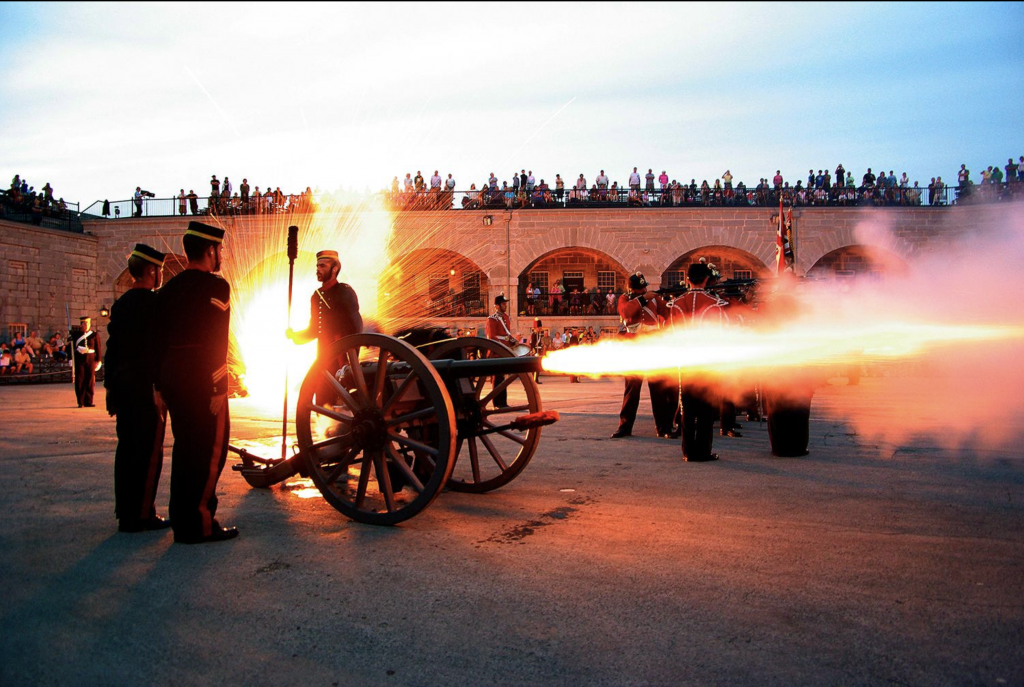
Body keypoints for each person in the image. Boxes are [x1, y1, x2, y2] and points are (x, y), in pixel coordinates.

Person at [153, 221, 237, 544]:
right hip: (203, 379)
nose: (221, 255)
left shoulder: (169, 290)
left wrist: (159, 384)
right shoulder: (216, 288)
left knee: (185, 449)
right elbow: (216, 340)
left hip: (174, 377)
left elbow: (157, 341)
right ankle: (200, 523)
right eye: (220, 249)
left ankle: (182, 521)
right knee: (209, 451)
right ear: (210, 251)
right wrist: (219, 386)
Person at [104, 244, 171, 533]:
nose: (161, 276)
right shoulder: (154, 304)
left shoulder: (121, 304)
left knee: (126, 449)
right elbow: (156, 350)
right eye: (160, 270)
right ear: (152, 271)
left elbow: (112, 349)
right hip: (145, 386)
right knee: (148, 451)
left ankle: (126, 511)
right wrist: (159, 386)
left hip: (123, 385)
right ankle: (142, 515)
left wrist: (109, 387)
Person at [286, 250, 363, 403]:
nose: (318, 269)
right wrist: (295, 336)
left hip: (341, 355)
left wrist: (350, 356)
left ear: (334, 269)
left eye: (322, 266)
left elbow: (355, 325)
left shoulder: (344, 291)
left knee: (344, 397)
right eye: (317, 266)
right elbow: (314, 329)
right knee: (322, 398)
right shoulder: (317, 296)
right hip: (323, 355)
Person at [670, 262, 728, 461]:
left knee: (687, 408)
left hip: (685, 361)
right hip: (706, 362)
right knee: (705, 410)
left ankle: (687, 451)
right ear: (706, 279)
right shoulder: (714, 303)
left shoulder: (677, 303)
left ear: (688, 280)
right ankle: (703, 451)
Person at [612, 272, 674, 439]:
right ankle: (625, 427)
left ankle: (663, 428)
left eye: (644, 288)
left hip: (653, 347)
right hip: (634, 348)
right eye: (640, 289)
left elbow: (668, 314)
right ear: (631, 289)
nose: (643, 290)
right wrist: (643, 299)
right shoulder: (625, 299)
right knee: (631, 391)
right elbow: (626, 312)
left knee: (659, 391)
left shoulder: (654, 299)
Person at [485, 294, 517, 407]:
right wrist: (502, 347)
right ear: (497, 306)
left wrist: (514, 341)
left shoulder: (506, 318)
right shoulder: (491, 319)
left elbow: (507, 335)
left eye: (505, 304)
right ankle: (497, 402)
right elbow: (492, 337)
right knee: (498, 378)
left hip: (505, 351)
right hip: (497, 352)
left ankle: (503, 402)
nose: (505, 306)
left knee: (503, 378)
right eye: (503, 304)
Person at [73, 315, 102, 408]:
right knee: (80, 380)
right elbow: (71, 347)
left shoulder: (94, 334)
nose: (85, 325)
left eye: (87, 323)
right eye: (84, 324)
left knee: (90, 380)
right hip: (80, 358)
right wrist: (70, 358)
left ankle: (89, 401)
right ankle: (80, 401)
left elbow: (98, 348)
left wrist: (99, 360)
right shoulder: (76, 334)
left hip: (90, 359)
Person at [529, 318, 544, 384]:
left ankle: (536, 379)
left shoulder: (539, 334)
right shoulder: (534, 334)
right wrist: (533, 351)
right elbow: (532, 343)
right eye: (540, 327)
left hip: (539, 351)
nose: (541, 328)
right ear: (537, 327)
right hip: (535, 351)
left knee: (538, 366)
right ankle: (534, 379)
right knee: (535, 366)